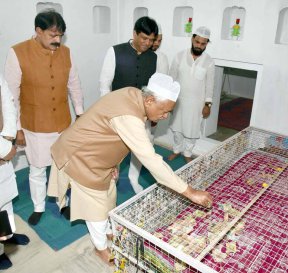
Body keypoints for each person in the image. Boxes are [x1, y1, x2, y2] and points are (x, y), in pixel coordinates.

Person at [47, 73, 213, 265]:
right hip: (80, 157)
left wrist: (114, 162)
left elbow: (113, 133)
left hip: (97, 158)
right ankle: (100, 248)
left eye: (169, 111)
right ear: (150, 100)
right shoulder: (129, 115)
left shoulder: (135, 94)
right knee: (96, 209)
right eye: (164, 110)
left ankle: (108, 232)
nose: (166, 116)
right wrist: (189, 192)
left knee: (108, 197)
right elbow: (150, 159)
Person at [4, 9, 84, 225]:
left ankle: (64, 202)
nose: (57, 40)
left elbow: (74, 84)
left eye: (60, 36)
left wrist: (80, 112)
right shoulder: (17, 52)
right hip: (34, 125)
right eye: (52, 35)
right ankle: (38, 206)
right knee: (37, 168)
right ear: (38, 31)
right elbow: (11, 96)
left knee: (63, 167)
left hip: (62, 123)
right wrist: (17, 128)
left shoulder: (66, 52)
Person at [99, 16, 158, 194]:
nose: (147, 43)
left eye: (151, 40)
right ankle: (109, 183)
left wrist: (154, 114)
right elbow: (104, 84)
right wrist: (108, 113)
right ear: (134, 33)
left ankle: (133, 177)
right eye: (144, 38)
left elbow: (154, 89)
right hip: (117, 113)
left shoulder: (154, 58)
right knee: (114, 151)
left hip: (142, 114)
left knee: (142, 148)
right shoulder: (115, 51)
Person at [168, 26, 215, 163]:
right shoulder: (179, 56)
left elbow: (210, 85)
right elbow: (171, 79)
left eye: (203, 43)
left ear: (206, 44)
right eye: (197, 42)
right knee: (177, 129)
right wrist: (170, 100)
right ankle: (176, 150)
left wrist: (208, 104)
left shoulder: (209, 62)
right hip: (179, 101)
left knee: (192, 131)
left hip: (197, 103)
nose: (199, 46)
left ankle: (188, 153)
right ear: (192, 39)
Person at [0, 75, 30, 270]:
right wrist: (3, 151)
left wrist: (7, 136)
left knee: (6, 197)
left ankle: (7, 234)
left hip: (3, 140)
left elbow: (8, 102)